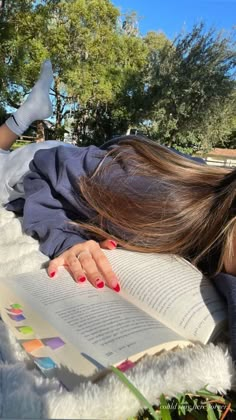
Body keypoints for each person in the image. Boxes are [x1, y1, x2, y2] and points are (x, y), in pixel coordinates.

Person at [1, 60, 236, 296]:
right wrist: (65, 239)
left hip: (80, 163)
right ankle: (28, 112)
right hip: (36, 166)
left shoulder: (216, 229)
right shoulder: (163, 200)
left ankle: (31, 109)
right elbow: (44, 169)